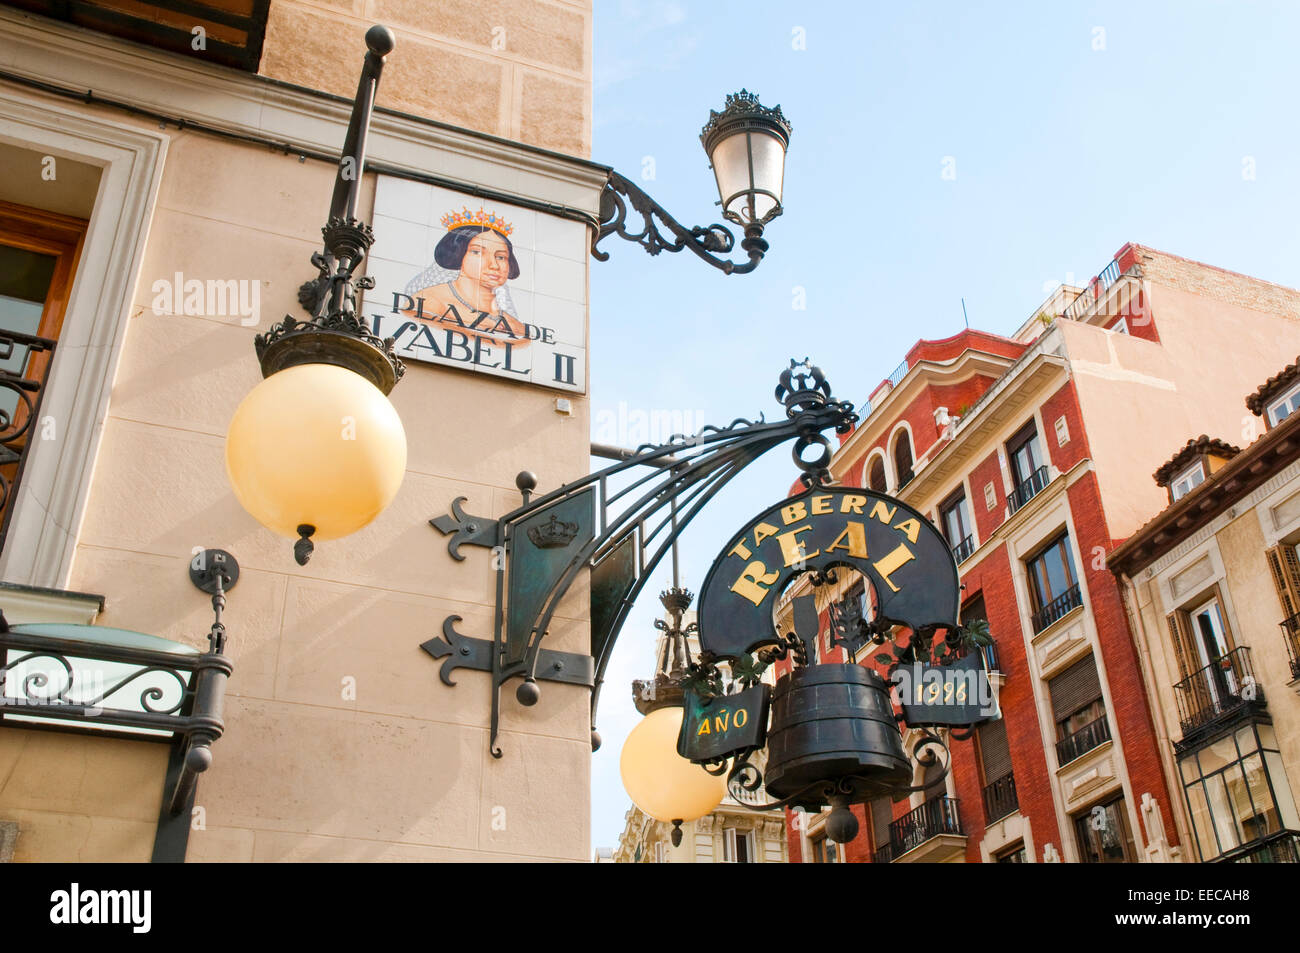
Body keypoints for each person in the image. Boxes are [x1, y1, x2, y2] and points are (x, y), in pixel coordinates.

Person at [401, 209, 527, 347]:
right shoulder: (427, 303)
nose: (494, 265)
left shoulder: (518, 328)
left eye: (501, 257)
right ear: (459, 255)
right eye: (477, 252)